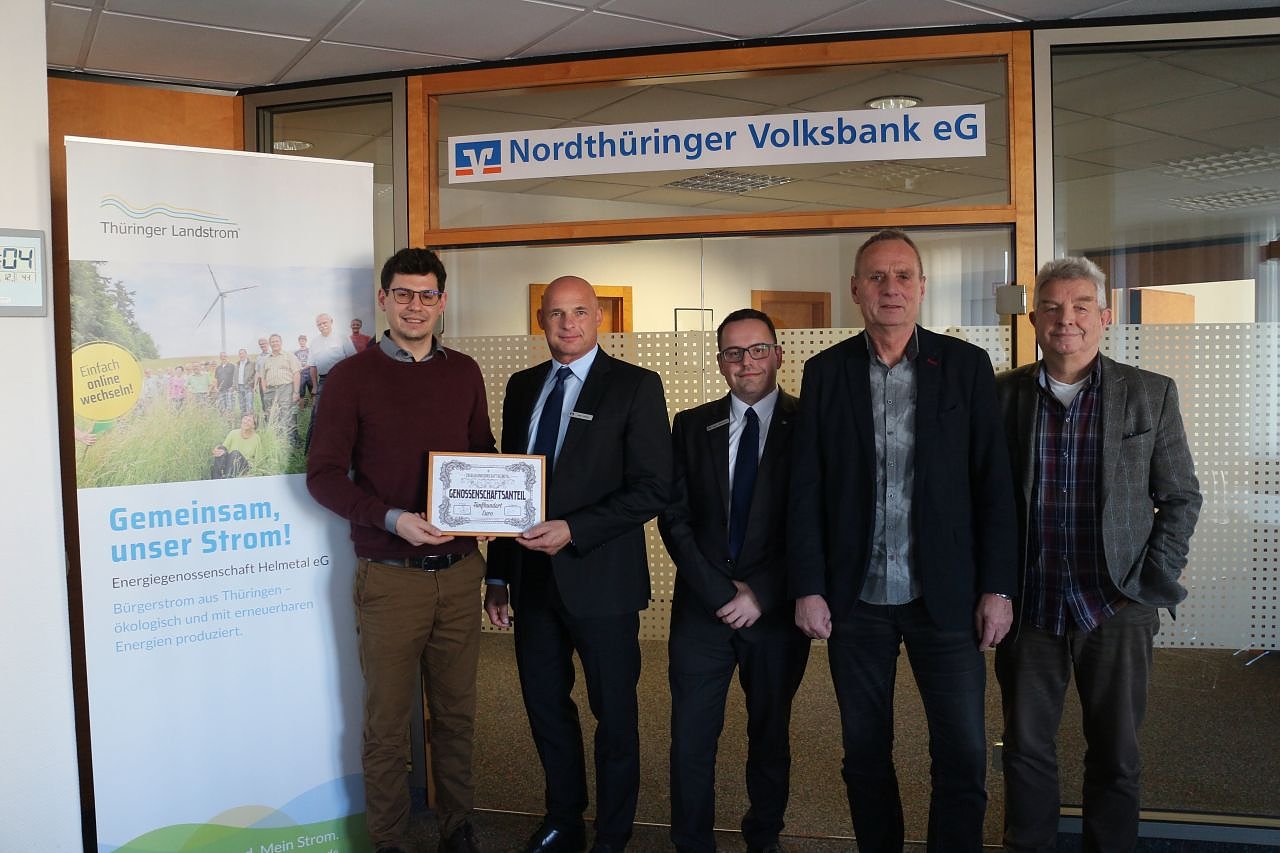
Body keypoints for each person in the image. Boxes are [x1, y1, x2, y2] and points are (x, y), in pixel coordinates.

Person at [787, 229, 1017, 853]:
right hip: (855, 599)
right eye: (877, 276)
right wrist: (808, 587)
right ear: (856, 289)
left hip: (945, 595)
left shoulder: (965, 366)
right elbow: (806, 490)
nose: (891, 288)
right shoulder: (826, 372)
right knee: (864, 753)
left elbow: (994, 486)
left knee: (963, 754)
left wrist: (999, 587)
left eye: (903, 275)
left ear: (922, 287)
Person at [994, 257, 1201, 853]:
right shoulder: (1002, 395)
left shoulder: (1150, 393)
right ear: (1034, 319)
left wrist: (1149, 581)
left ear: (1105, 317)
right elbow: (983, 499)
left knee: (1116, 752)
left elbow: (1180, 497)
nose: (1067, 319)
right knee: (1026, 749)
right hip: (1030, 605)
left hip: (1115, 604)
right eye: (1053, 307)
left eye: (1082, 306)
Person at [307, 248, 495, 853]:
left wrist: (497, 503)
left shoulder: (464, 371)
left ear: (442, 301)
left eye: (427, 295)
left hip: (461, 574)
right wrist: (392, 519)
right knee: (387, 724)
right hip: (390, 578)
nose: (416, 306)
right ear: (384, 299)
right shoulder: (350, 378)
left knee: (457, 715)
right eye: (404, 294)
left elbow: (481, 452)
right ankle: (388, 839)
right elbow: (323, 476)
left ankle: (457, 827)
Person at [485, 275, 671, 853]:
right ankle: (563, 818)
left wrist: (575, 529)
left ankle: (612, 833)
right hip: (532, 582)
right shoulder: (522, 386)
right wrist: (498, 575)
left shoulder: (636, 386)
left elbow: (654, 487)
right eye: (556, 314)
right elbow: (509, 488)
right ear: (542, 320)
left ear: (599, 319)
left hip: (602, 581)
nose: (568, 324)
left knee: (613, 714)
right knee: (545, 708)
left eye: (580, 312)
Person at [658, 308, 810, 853]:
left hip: (775, 613)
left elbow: (815, 522)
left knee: (769, 734)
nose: (747, 362)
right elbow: (674, 517)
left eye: (758, 349)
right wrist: (721, 593)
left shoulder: (808, 423)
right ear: (720, 361)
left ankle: (763, 836)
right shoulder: (691, 425)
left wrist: (761, 593)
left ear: (779, 355)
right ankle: (691, 842)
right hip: (703, 610)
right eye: (733, 352)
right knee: (691, 738)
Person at [305, 312, 358, 449]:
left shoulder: (342, 338)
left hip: (342, 380)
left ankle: (347, 445)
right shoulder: (314, 343)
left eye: (325, 323)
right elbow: (312, 366)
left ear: (331, 322)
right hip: (323, 380)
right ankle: (315, 447)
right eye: (319, 324)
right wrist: (314, 386)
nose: (322, 326)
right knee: (318, 413)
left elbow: (353, 360)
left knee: (343, 412)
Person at [259, 333, 301, 442]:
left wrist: (296, 392)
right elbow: (262, 377)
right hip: (270, 390)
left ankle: (290, 442)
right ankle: (276, 440)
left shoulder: (289, 355)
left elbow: (296, 373)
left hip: (286, 388)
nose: (274, 343)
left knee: (286, 414)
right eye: (272, 342)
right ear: (270, 344)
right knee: (271, 414)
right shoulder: (266, 359)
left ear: (281, 342)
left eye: (276, 341)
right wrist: (265, 391)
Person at [211, 413, 262, 478]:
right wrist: (217, 450)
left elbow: (258, 460)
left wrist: (254, 473)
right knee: (221, 448)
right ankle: (216, 479)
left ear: (254, 426)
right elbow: (224, 449)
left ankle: (228, 479)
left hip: (244, 467)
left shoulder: (256, 438)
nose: (246, 421)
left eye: (249, 420)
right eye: (245, 418)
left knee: (235, 454)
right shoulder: (233, 433)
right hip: (230, 463)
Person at [233, 348, 257, 416]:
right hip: (239, 387)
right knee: (241, 405)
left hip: (248, 387)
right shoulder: (237, 364)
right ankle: (243, 420)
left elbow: (255, 374)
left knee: (249, 405)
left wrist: (251, 383)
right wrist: (235, 386)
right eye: (240, 354)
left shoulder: (252, 364)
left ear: (246, 354)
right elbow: (235, 376)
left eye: (243, 353)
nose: (241, 355)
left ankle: (250, 420)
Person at [295, 334, 314, 402]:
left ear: (306, 341)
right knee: (301, 393)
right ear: (299, 342)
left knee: (313, 392)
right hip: (301, 375)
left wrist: (303, 368)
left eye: (303, 340)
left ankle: (314, 406)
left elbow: (312, 362)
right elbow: (295, 363)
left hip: (309, 373)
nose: (302, 342)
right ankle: (302, 407)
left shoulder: (309, 351)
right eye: (300, 341)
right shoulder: (296, 352)